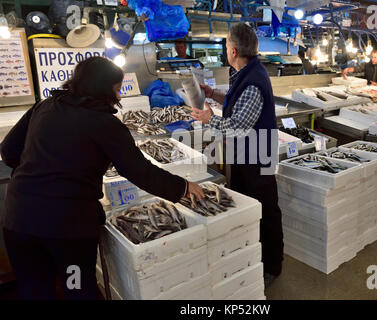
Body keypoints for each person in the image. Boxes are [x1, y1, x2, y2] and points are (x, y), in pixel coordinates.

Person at [0, 56, 204, 299]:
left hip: (18, 220)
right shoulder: (104, 122)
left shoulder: (45, 106)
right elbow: (139, 171)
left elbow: (9, 151)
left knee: (34, 289)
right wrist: (183, 187)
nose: (119, 97)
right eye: (117, 90)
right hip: (68, 231)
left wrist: (36, 175)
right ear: (101, 87)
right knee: (77, 287)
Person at [191, 23, 284, 287]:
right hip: (247, 156)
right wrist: (212, 95)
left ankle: (272, 265)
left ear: (232, 50)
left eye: (225, 44)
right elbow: (237, 103)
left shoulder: (253, 80)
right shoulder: (245, 72)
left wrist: (209, 119)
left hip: (257, 156)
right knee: (247, 206)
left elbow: (238, 127)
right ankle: (252, 254)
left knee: (265, 209)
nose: (224, 49)